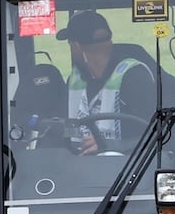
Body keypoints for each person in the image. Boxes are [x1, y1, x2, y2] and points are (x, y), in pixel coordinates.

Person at [57, 10, 157, 154]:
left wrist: (112, 145)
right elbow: (62, 124)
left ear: (76, 47)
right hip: (77, 167)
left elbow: (156, 132)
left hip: (128, 168)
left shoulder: (134, 77)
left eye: (70, 45)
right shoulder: (74, 81)